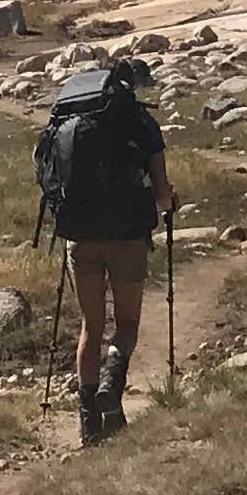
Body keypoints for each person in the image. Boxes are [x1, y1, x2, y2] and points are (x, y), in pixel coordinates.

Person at [42, 56, 174, 443]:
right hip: (129, 236)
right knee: (127, 325)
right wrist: (168, 203)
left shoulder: (70, 120)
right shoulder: (140, 122)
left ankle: (89, 428)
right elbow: (163, 194)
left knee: (91, 327)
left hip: (81, 237)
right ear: (131, 85)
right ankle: (111, 386)